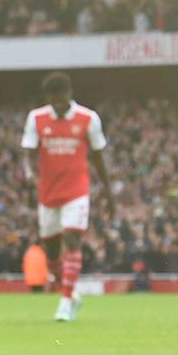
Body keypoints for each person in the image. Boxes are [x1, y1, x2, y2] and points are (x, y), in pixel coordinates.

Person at [21, 72, 113, 321]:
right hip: (48, 193)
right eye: (54, 100)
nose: (59, 104)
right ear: (48, 98)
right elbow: (28, 152)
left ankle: (64, 302)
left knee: (72, 240)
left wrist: (108, 193)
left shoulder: (88, 118)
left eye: (62, 99)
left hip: (77, 191)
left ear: (70, 94)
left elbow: (98, 158)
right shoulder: (36, 118)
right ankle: (70, 293)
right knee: (51, 253)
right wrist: (29, 173)